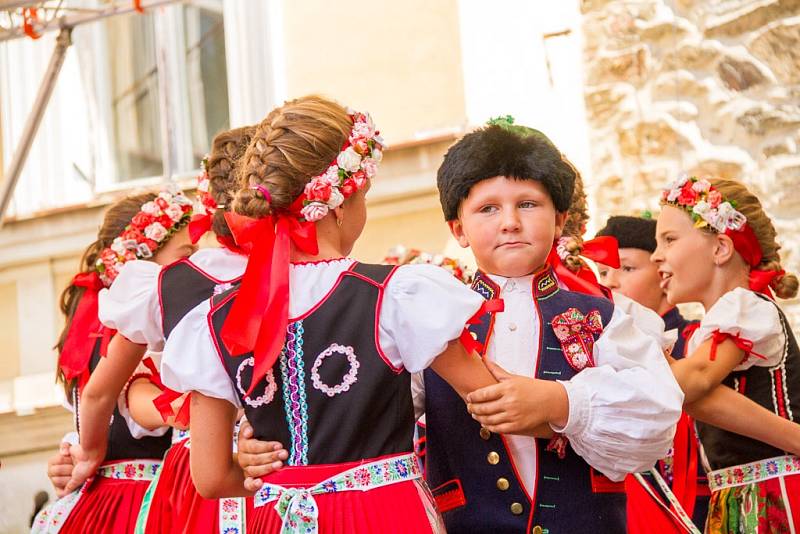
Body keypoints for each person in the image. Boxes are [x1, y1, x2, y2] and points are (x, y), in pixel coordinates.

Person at [161, 95, 497, 532]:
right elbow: (488, 398)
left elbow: (210, 479)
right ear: (340, 204)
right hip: (382, 516)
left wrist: (257, 465)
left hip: (276, 519)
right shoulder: (391, 293)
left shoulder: (214, 318)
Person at [426, 121, 685, 532]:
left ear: (560, 219)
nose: (510, 221)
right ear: (458, 229)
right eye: (488, 208)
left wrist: (563, 403)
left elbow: (657, 415)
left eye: (527, 204)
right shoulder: (433, 324)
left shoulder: (604, 315)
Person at [33, 191, 196, 533]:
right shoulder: (136, 339)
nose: (194, 267)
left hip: (98, 501)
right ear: (140, 263)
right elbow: (135, 402)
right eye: (186, 255)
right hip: (141, 501)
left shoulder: (99, 332)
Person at [655, 176, 800, 532]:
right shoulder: (707, 335)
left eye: (669, 240)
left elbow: (691, 384)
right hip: (735, 495)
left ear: (721, 248)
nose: (657, 254)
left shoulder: (747, 308)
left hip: (779, 493)